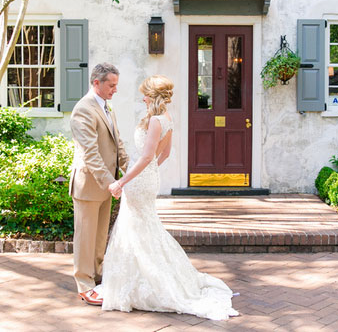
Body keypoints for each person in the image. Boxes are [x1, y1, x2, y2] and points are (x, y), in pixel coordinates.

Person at [96, 75, 239, 321]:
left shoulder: (154, 121)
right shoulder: (167, 119)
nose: (142, 97)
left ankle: (143, 284)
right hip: (148, 179)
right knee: (145, 229)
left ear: (153, 97)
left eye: (145, 94)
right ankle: (144, 278)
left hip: (140, 180)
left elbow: (145, 157)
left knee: (137, 229)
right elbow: (164, 154)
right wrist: (151, 171)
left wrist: (123, 181)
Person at [69, 63, 130, 306]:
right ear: (97, 83)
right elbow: (90, 154)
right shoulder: (83, 109)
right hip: (90, 185)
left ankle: (96, 276)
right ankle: (84, 285)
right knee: (85, 238)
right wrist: (110, 183)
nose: (115, 89)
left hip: (107, 185)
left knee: (98, 237)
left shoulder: (106, 107)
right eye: (111, 85)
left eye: (116, 85)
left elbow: (118, 144)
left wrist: (132, 168)